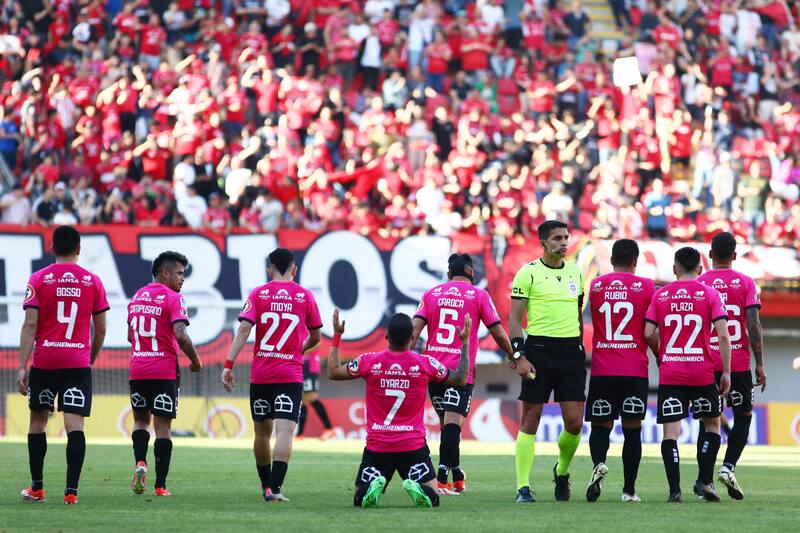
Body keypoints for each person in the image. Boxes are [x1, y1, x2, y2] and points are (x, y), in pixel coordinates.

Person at [411, 253, 532, 494]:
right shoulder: (479, 295)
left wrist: (401, 357)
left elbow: (414, 330)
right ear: (471, 273)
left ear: (448, 274)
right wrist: (513, 355)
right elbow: (497, 332)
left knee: (448, 425)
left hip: (433, 368)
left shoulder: (431, 294)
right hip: (460, 369)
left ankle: (455, 473)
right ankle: (443, 479)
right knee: (453, 424)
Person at [327, 309, 472, 508]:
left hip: (378, 446)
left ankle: (373, 487)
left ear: (386, 336)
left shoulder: (369, 361)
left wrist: (337, 335)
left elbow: (333, 372)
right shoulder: (424, 363)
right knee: (434, 497)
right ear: (412, 337)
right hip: (412, 447)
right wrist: (464, 343)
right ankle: (418, 487)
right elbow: (460, 379)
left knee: (359, 499)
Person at [17, 225, 109, 504]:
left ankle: (37, 488)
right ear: (79, 250)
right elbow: (101, 329)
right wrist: (89, 359)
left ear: (52, 248)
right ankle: (71, 493)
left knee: (37, 421)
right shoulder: (93, 281)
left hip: (45, 362)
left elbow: (30, 324)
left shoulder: (39, 279)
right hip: (77, 363)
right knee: (75, 427)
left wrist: (23, 366)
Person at [221, 248, 322, 502]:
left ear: (270, 269)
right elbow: (316, 337)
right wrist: (299, 349)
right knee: (285, 432)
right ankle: (276, 489)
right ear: (294, 269)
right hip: (289, 375)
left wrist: (228, 364)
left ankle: (266, 486)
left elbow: (244, 330)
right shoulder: (305, 295)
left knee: (261, 434)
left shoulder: (258, 293)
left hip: (262, 375)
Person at [644, 247, 732, 502]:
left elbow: (649, 333)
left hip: (671, 372)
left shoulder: (661, 295)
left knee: (671, 433)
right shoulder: (710, 293)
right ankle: (704, 481)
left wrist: (662, 356)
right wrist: (725, 371)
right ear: (701, 270)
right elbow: (724, 335)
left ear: (674, 269)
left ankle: (674, 491)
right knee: (713, 426)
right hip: (702, 372)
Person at [509, 220, 586, 503]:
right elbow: (515, 321)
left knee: (575, 423)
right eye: (557, 238)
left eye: (566, 237)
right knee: (531, 417)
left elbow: (577, 314)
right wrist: (519, 356)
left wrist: (579, 346)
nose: (564, 242)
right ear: (543, 242)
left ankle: (562, 471)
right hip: (538, 350)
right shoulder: (527, 274)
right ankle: (522, 488)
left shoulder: (576, 273)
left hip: (570, 353)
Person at [585, 239, 655, 503]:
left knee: (600, 425)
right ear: (635, 262)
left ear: (611, 260)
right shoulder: (647, 286)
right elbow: (651, 328)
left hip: (603, 368)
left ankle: (599, 464)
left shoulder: (596, 285)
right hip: (634, 369)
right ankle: (629, 491)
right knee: (632, 429)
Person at [127, 251, 203, 496]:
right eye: (179, 273)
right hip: (164, 370)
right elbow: (180, 334)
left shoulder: (136, 297)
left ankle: (140, 462)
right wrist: (195, 359)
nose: (182, 279)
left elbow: (131, 336)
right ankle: (160, 486)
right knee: (163, 428)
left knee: (140, 420)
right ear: (165, 273)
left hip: (138, 369)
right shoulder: (173, 298)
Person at [697, 231, 765, 499]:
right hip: (737, 362)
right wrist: (759, 364)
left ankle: (704, 481)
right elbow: (753, 325)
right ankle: (728, 467)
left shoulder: (700, 283)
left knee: (708, 422)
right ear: (734, 256)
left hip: (705, 364)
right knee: (744, 416)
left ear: (710, 255)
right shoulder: (747, 282)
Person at [296, 351, 336, 439]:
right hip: (302, 364)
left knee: (311, 397)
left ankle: (329, 428)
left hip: (309, 365)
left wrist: (301, 348)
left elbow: (317, 342)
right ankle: (300, 434)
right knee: (303, 400)